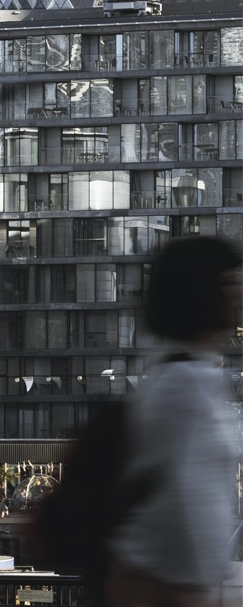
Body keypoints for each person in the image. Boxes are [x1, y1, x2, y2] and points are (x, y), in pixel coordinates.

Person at [106, 235, 243, 607]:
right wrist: (198, 592)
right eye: (230, 281)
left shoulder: (186, 374)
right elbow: (185, 505)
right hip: (169, 589)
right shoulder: (184, 384)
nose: (240, 292)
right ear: (203, 293)